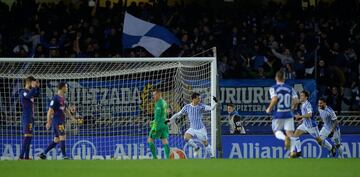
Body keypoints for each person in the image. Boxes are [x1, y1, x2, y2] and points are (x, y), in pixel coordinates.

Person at [169, 92, 217, 158]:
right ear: (193, 99)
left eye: (200, 98)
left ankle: (212, 156)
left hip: (200, 129)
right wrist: (170, 120)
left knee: (205, 143)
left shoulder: (201, 106)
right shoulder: (187, 107)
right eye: (198, 98)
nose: (199, 100)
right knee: (186, 138)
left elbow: (212, 108)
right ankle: (196, 147)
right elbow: (178, 114)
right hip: (192, 128)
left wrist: (215, 103)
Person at [39, 82, 78, 160]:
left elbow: (65, 110)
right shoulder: (55, 98)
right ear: (62, 87)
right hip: (57, 121)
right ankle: (64, 156)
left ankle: (43, 154)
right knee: (63, 137)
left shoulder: (62, 98)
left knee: (57, 140)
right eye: (66, 87)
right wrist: (48, 122)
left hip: (61, 121)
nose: (67, 89)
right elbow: (50, 111)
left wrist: (72, 118)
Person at [291, 91, 335, 158]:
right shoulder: (302, 104)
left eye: (302, 95)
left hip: (311, 126)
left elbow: (310, 114)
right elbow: (306, 115)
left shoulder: (307, 104)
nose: (301, 97)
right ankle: (299, 152)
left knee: (319, 141)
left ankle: (331, 148)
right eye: (300, 95)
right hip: (305, 125)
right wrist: (302, 120)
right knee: (295, 135)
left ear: (306, 97)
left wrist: (300, 117)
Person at [266, 70, 299, 154]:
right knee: (290, 133)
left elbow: (275, 99)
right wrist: (292, 108)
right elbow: (296, 100)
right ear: (284, 78)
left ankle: (285, 138)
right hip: (289, 114)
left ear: (276, 78)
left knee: (276, 131)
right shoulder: (290, 88)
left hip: (278, 114)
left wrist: (269, 108)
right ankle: (292, 152)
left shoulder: (273, 88)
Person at [19, 76, 40, 160]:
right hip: (27, 117)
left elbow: (37, 94)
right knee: (27, 135)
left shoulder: (30, 91)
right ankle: (21, 157)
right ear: (29, 82)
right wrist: (34, 88)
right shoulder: (23, 91)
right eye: (33, 82)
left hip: (31, 117)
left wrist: (37, 87)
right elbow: (28, 96)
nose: (34, 84)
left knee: (30, 136)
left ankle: (26, 157)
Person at [147, 89, 170, 159]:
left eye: (154, 95)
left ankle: (154, 158)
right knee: (164, 140)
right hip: (164, 124)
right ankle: (168, 158)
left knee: (150, 140)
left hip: (158, 125)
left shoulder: (159, 103)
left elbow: (157, 117)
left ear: (158, 94)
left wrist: (154, 126)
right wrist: (153, 121)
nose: (153, 96)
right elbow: (166, 113)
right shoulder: (164, 102)